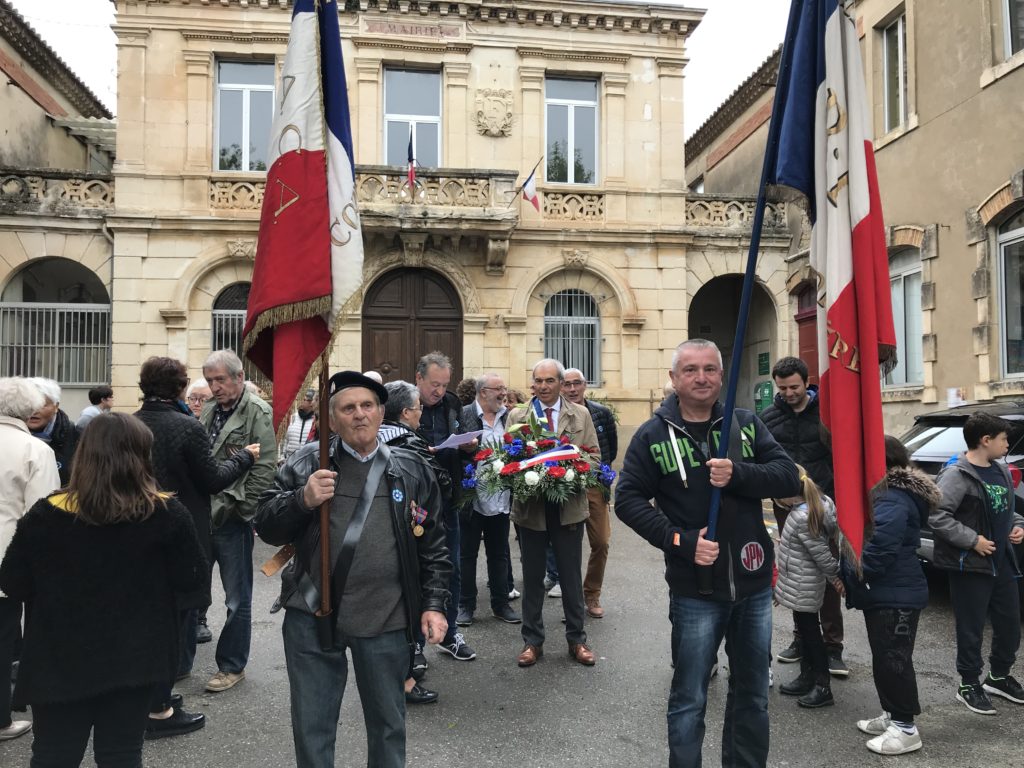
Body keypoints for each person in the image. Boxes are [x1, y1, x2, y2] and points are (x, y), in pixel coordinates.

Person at [615, 339, 799, 768]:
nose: (702, 377)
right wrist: (680, 541)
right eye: (691, 370)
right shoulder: (652, 435)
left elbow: (787, 476)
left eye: (711, 369)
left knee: (753, 695)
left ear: (722, 375)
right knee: (690, 697)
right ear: (674, 378)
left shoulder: (747, 425)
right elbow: (628, 500)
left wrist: (739, 473)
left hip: (753, 587)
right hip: (695, 591)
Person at [255, 371, 451, 768]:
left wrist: (433, 603)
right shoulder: (307, 462)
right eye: (348, 408)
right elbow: (266, 525)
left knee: (388, 725)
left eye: (367, 406)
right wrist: (301, 499)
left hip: (386, 616)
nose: (359, 415)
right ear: (331, 419)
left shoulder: (412, 467)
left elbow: (433, 544)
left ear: (382, 413)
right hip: (311, 612)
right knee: (312, 727)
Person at [0, 413, 206, 767]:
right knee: (121, 755)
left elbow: (12, 581)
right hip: (137, 657)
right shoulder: (166, 512)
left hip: (58, 656)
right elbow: (193, 581)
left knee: (53, 755)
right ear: (142, 456)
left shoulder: (46, 513)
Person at [134, 356, 261, 737]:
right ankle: (157, 709)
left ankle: (152, 694)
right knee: (174, 613)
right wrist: (245, 457)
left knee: (150, 613)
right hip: (181, 529)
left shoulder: (128, 425)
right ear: (178, 388)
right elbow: (211, 480)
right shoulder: (187, 426)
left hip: (136, 531)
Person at [843, 435, 938, 756]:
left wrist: (857, 572)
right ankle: (892, 715)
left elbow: (882, 545)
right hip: (888, 592)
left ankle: (906, 728)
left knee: (894, 660)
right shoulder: (889, 494)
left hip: (896, 594)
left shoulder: (892, 497)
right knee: (885, 657)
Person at [507, 358, 599, 668]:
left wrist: (576, 474)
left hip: (568, 506)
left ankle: (577, 639)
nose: (544, 386)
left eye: (550, 381)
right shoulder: (517, 415)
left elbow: (594, 456)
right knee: (532, 578)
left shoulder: (581, 414)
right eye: (539, 381)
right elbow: (509, 459)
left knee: (571, 577)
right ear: (532, 384)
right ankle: (532, 642)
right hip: (530, 508)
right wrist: (524, 476)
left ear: (561, 384)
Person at [931, 411, 1024, 715]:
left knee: (1010, 623)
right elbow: (937, 516)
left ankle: (998, 677)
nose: (1007, 443)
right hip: (971, 565)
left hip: (1003, 563)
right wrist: (973, 540)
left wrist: (1017, 525)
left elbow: (1005, 508)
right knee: (971, 628)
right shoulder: (957, 474)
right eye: (1003, 439)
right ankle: (968, 683)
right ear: (986, 440)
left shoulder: (998, 469)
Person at [759, 356, 846, 675]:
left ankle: (833, 646)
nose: (788, 393)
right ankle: (802, 638)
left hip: (823, 508)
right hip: (785, 507)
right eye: (781, 388)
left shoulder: (828, 414)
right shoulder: (768, 417)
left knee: (827, 572)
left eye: (793, 386)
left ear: (806, 383)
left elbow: (842, 454)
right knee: (796, 574)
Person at [199, 349, 277, 693]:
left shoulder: (256, 411)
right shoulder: (210, 410)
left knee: (236, 598)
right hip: (203, 515)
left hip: (231, 518)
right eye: (210, 380)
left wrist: (242, 509)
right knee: (194, 592)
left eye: (220, 380)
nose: (215, 387)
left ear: (238, 378)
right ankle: (182, 662)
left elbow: (265, 466)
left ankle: (231, 666)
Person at [379, 379, 447, 705]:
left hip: (379, 543)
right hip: (410, 537)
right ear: (406, 412)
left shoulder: (367, 440)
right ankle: (407, 675)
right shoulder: (411, 444)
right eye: (419, 407)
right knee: (410, 603)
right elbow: (440, 487)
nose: (421, 413)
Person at [0, 377, 61, 742]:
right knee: (4, 637)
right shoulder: (34, 450)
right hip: (9, 554)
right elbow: (44, 513)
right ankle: (2, 719)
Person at [414, 351, 477, 662]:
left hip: (448, 499)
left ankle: (449, 634)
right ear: (419, 379)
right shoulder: (403, 404)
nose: (438, 391)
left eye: (443, 384)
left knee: (450, 568)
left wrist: (467, 447)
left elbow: (464, 447)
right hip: (415, 504)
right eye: (433, 384)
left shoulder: (453, 403)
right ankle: (414, 644)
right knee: (414, 572)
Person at [773, 467, 841, 709]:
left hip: (805, 583)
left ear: (789, 495)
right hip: (802, 581)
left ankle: (822, 686)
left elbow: (821, 554)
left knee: (811, 635)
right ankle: (807, 677)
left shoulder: (802, 517)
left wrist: (836, 577)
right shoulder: (818, 503)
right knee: (806, 630)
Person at [457, 373, 520, 626]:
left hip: (501, 498)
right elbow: (451, 451)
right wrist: (465, 453)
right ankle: (465, 605)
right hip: (471, 499)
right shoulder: (463, 416)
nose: (503, 393)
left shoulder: (510, 417)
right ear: (483, 392)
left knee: (499, 554)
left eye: (504, 388)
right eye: (498, 389)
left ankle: (500, 604)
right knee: (467, 555)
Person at [561, 367, 617, 618]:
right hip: (566, 486)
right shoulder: (557, 414)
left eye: (577, 384)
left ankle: (592, 594)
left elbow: (610, 450)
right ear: (561, 387)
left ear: (585, 386)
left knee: (601, 542)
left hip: (595, 484)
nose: (572, 389)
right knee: (568, 547)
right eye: (567, 384)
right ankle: (571, 599)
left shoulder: (601, 413)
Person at [26, 377, 78, 485]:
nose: (34, 411)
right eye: (28, 405)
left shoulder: (73, 434)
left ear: (56, 406)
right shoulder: (9, 434)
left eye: (42, 405)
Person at [281, 389, 317, 463]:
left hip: (306, 462)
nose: (301, 401)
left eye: (304, 400)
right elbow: (285, 439)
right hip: (289, 461)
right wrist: (282, 457)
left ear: (311, 403)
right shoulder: (293, 417)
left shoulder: (315, 420)